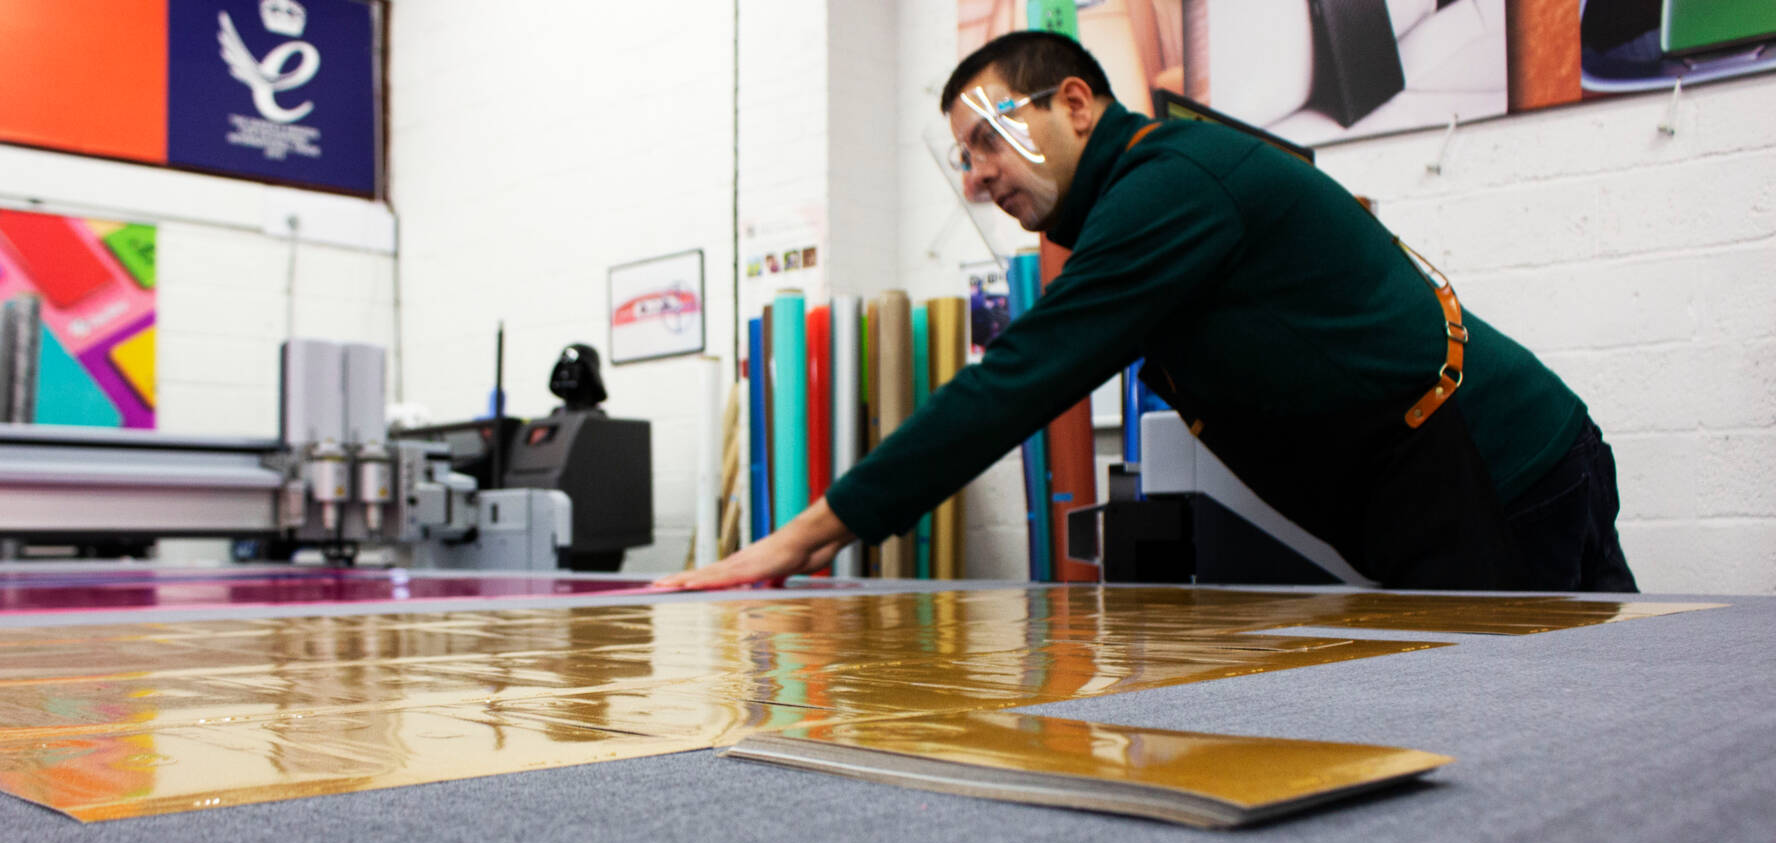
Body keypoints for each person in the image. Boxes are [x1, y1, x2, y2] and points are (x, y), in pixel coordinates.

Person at [660, 31, 1636, 593]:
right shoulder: (1144, 197)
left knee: (1550, 739)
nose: (978, 177)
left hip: (1499, 463)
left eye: (989, 141)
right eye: (962, 158)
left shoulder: (1170, 185)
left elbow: (1019, 380)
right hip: (1443, 479)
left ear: (1076, 103)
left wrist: (794, 541)